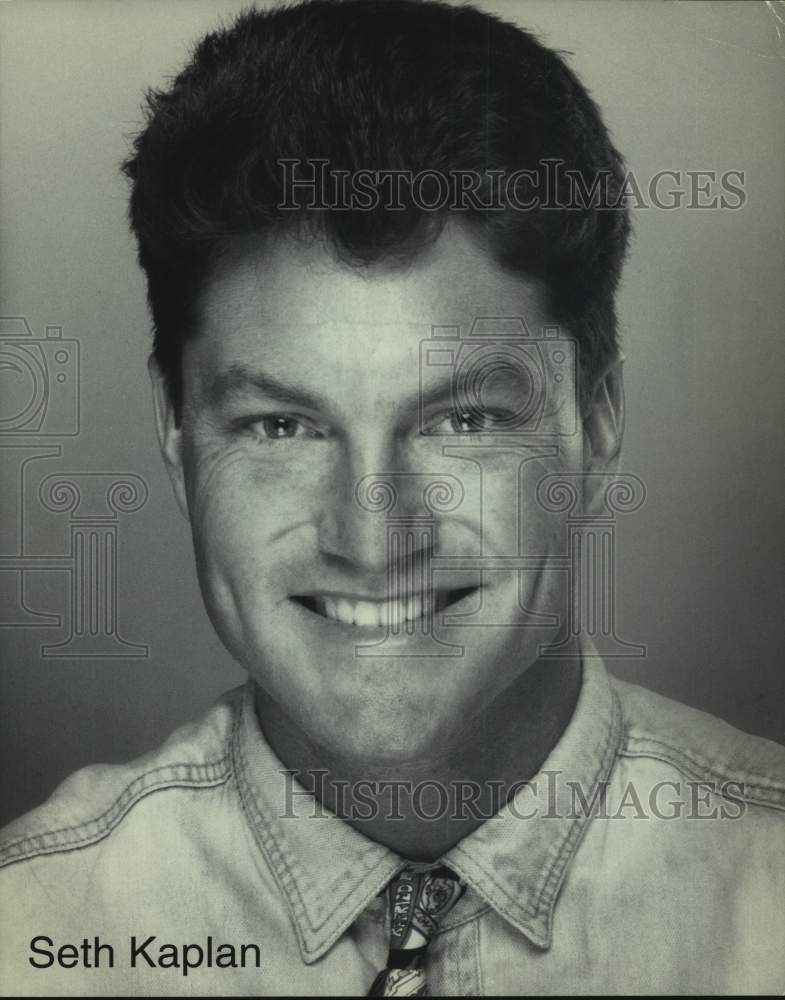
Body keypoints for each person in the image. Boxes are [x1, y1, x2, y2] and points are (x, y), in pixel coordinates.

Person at [0, 0, 782, 995]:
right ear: (178, 435)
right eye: (282, 426)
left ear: (597, 420)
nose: (372, 536)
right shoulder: (29, 933)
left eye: (461, 421)